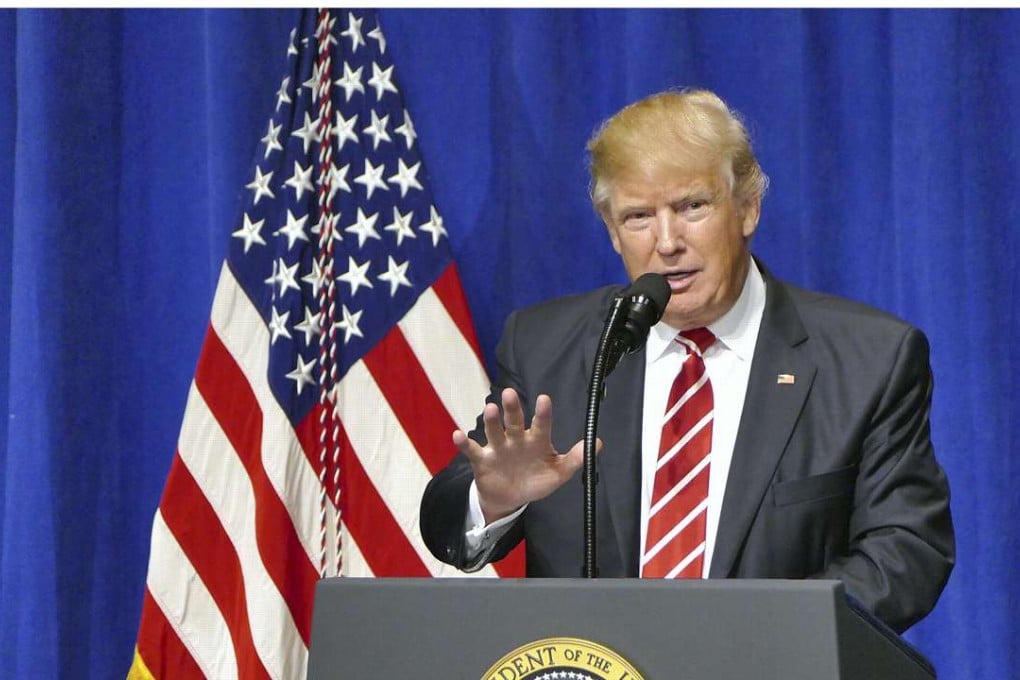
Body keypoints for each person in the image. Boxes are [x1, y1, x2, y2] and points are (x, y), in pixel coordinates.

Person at [419, 88, 954, 634]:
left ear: (748, 207)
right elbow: (447, 527)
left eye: (691, 206)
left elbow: (907, 549)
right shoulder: (547, 347)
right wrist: (491, 500)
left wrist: (762, 644)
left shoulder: (869, 359)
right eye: (638, 216)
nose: (667, 242)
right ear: (611, 230)